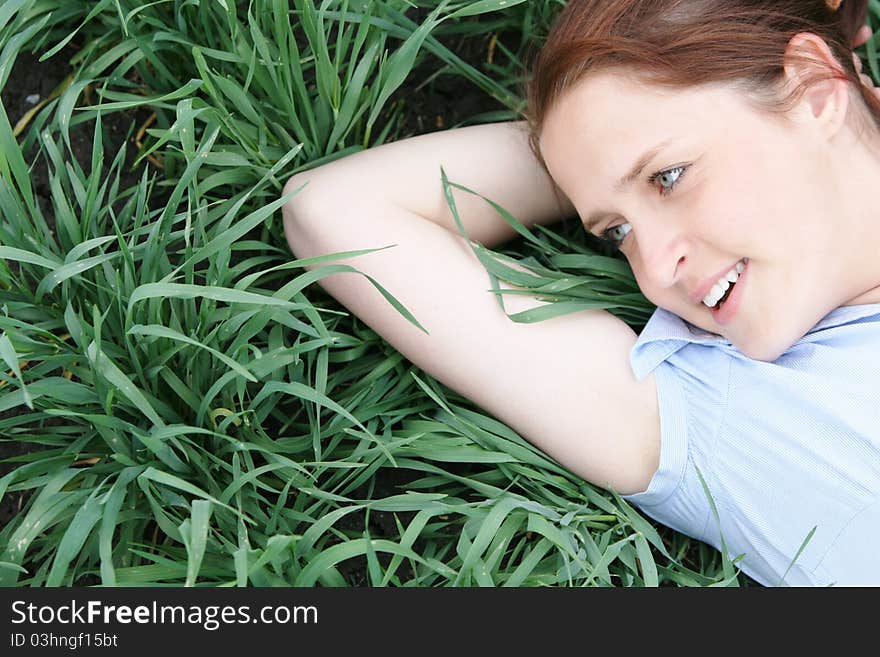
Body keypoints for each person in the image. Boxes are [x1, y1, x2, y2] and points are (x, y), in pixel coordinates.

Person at [281, 0, 880, 586]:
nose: (657, 269)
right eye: (617, 231)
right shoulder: (742, 416)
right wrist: (586, 154)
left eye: (668, 177)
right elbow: (334, 212)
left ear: (811, 87)